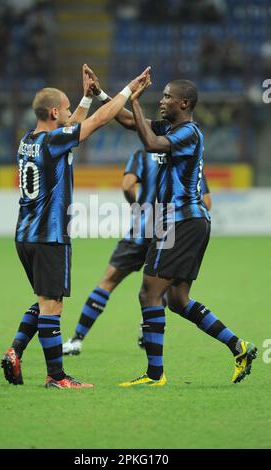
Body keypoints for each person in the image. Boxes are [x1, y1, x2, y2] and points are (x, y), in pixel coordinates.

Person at [84, 68, 257, 386]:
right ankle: (239, 347)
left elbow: (150, 143)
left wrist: (135, 100)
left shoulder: (188, 133)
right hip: (179, 222)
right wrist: (103, 96)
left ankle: (155, 375)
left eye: (167, 96)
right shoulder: (171, 127)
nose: (161, 101)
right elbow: (127, 122)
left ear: (185, 103)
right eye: (161, 95)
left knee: (149, 293)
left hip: (182, 221)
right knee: (177, 300)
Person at [1, 64, 151, 390]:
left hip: (24, 234)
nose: (71, 113)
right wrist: (127, 90)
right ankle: (57, 376)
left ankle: (15, 351)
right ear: (54, 112)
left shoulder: (28, 140)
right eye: (67, 108)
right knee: (52, 306)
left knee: (44, 299)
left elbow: (71, 126)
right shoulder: (54, 141)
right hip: (49, 235)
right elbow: (97, 121)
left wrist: (84, 97)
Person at [62, 147, 211, 355]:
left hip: (141, 231)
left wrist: (139, 207)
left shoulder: (142, 155)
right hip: (169, 231)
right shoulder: (187, 156)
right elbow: (206, 202)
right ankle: (147, 327)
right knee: (161, 288)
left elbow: (127, 185)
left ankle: (77, 339)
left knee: (108, 281)